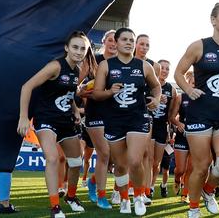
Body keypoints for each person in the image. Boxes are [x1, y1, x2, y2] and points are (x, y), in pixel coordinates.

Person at [174, 3, 219, 218]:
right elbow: (179, 73)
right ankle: (194, 207)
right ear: (213, 20)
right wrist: (189, 89)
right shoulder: (198, 46)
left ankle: (208, 191)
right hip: (199, 114)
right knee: (202, 165)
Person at [17, 31, 94, 218]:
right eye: (75, 47)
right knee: (52, 159)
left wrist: (75, 109)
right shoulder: (55, 66)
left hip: (66, 121)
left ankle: (71, 197)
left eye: (83, 48)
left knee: (76, 161)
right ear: (67, 48)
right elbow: (26, 86)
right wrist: (23, 117)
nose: (79, 51)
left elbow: (67, 93)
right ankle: (55, 207)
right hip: (46, 119)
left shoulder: (77, 70)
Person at [90, 27, 161, 216]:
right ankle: (123, 199)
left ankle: (137, 196)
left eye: (132, 39)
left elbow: (156, 86)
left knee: (135, 160)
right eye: (125, 39)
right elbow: (96, 94)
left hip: (138, 118)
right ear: (117, 42)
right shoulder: (106, 66)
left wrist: (155, 99)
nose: (129, 42)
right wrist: (109, 91)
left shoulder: (144, 66)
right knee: (120, 165)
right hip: (114, 120)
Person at [83, 29, 115, 208]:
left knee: (114, 157)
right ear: (104, 41)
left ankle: (93, 181)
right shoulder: (93, 59)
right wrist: (83, 92)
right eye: (109, 39)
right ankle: (102, 196)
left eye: (114, 40)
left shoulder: (121, 63)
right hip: (95, 112)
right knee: (104, 153)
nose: (112, 43)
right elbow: (79, 84)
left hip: (115, 114)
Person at [134, 34, 161, 203]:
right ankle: (121, 189)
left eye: (147, 45)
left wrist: (157, 99)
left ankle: (143, 191)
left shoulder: (153, 65)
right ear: (136, 44)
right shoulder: (123, 61)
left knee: (145, 153)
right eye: (141, 44)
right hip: (124, 112)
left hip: (145, 111)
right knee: (125, 155)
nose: (144, 47)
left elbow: (155, 88)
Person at [151, 59, 177, 198]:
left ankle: (150, 186)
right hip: (147, 125)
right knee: (147, 160)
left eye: (168, 68)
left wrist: (169, 132)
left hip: (162, 127)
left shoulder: (171, 90)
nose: (165, 71)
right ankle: (144, 189)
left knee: (156, 162)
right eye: (162, 67)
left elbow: (171, 114)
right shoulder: (148, 83)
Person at [169, 69, 194, 204]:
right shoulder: (181, 97)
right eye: (192, 82)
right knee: (181, 169)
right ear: (187, 83)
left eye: (196, 83)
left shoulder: (204, 97)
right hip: (182, 135)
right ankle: (177, 178)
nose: (194, 85)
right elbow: (171, 117)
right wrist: (178, 123)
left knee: (191, 168)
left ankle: (185, 194)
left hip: (197, 136)